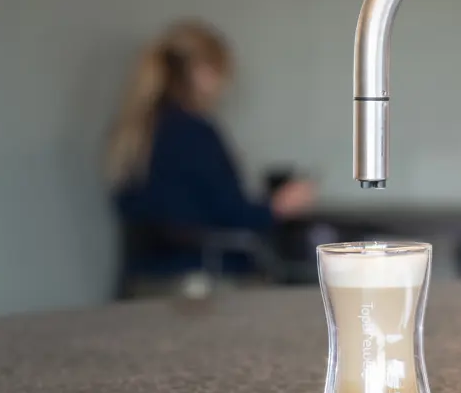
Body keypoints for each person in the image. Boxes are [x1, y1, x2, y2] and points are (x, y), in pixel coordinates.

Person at [105, 19, 315, 289]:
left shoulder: (134, 133)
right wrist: (279, 207)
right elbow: (232, 214)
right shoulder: (194, 133)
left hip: (143, 280)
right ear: (203, 72)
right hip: (200, 280)